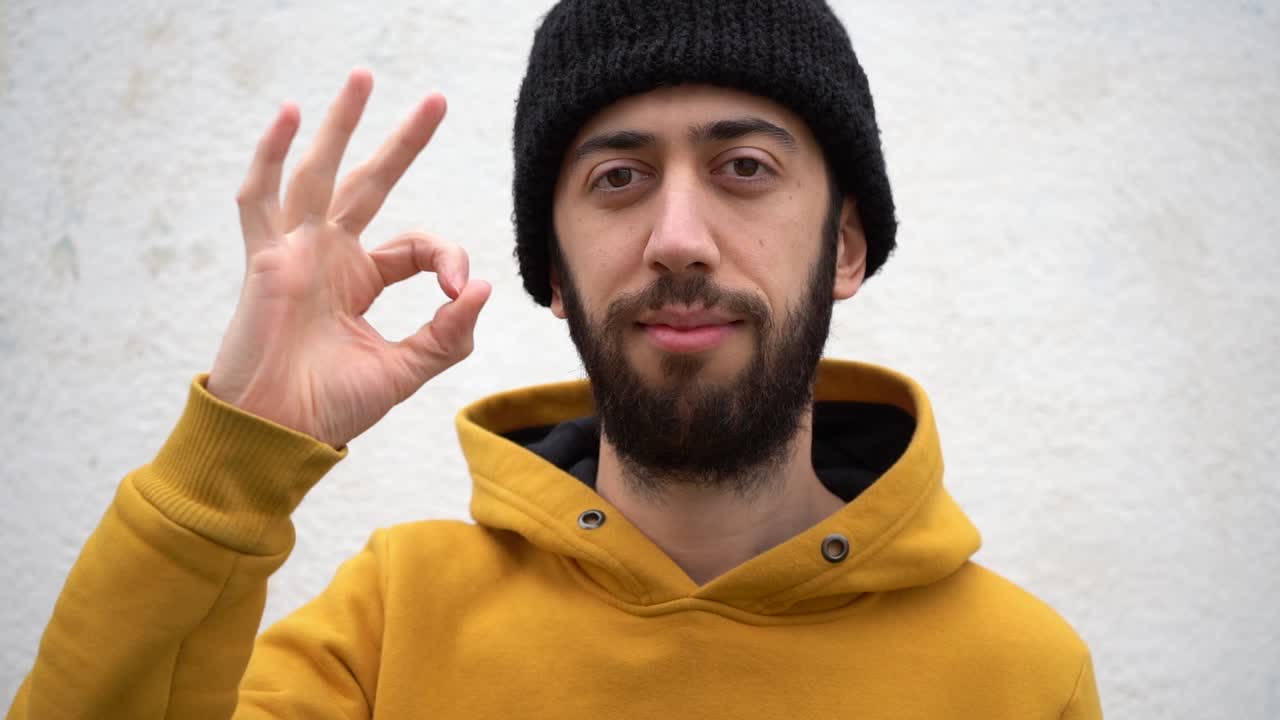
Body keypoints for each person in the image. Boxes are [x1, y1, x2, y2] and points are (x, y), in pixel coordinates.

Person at [7, 1, 1102, 718]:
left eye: (744, 167)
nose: (679, 238)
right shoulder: (391, 622)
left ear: (846, 246)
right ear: (557, 275)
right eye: (618, 179)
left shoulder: (1017, 673)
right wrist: (234, 461)